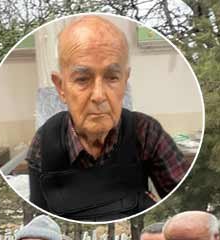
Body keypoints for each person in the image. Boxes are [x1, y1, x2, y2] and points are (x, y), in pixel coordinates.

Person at [26, 15, 187, 222]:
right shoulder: (44, 142)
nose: (99, 95)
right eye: (82, 79)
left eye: (112, 78)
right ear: (61, 87)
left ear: (124, 81)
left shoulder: (145, 132)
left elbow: (183, 202)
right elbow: (41, 216)